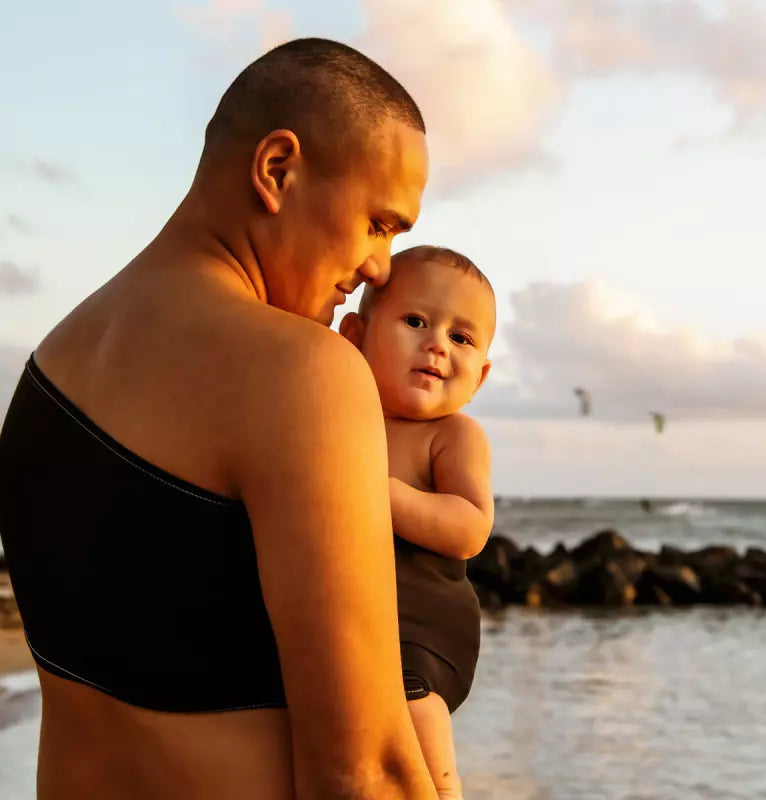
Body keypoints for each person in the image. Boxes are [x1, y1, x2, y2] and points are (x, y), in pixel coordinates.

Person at [0, 39, 437, 799]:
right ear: (277, 170)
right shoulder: (302, 373)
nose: (381, 269)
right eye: (378, 222)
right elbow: (367, 773)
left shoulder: (46, 373)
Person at [339, 245, 496, 799]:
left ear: (479, 377)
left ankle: (442, 789)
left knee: (411, 704)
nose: (436, 344)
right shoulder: (336, 412)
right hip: (352, 616)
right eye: (416, 321)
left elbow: (471, 524)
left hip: (423, 628)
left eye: (461, 338)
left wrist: (380, 494)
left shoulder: (451, 435)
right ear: (354, 334)